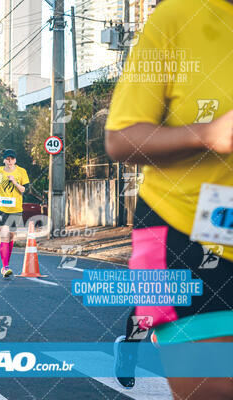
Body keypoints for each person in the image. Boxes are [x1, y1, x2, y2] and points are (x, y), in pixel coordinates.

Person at [104, 1, 233, 396]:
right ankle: (134, 342)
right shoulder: (177, 17)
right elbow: (119, 138)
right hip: (186, 229)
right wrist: (209, 135)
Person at [0, 149, 30, 278]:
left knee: (11, 236)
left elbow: (25, 190)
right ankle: (5, 266)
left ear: (15, 160)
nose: (9, 161)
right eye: (7, 159)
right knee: (4, 234)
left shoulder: (21, 171)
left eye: (12, 159)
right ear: (4, 160)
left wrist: (15, 182)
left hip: (15, 209)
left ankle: (6, 264)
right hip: (0, 207)